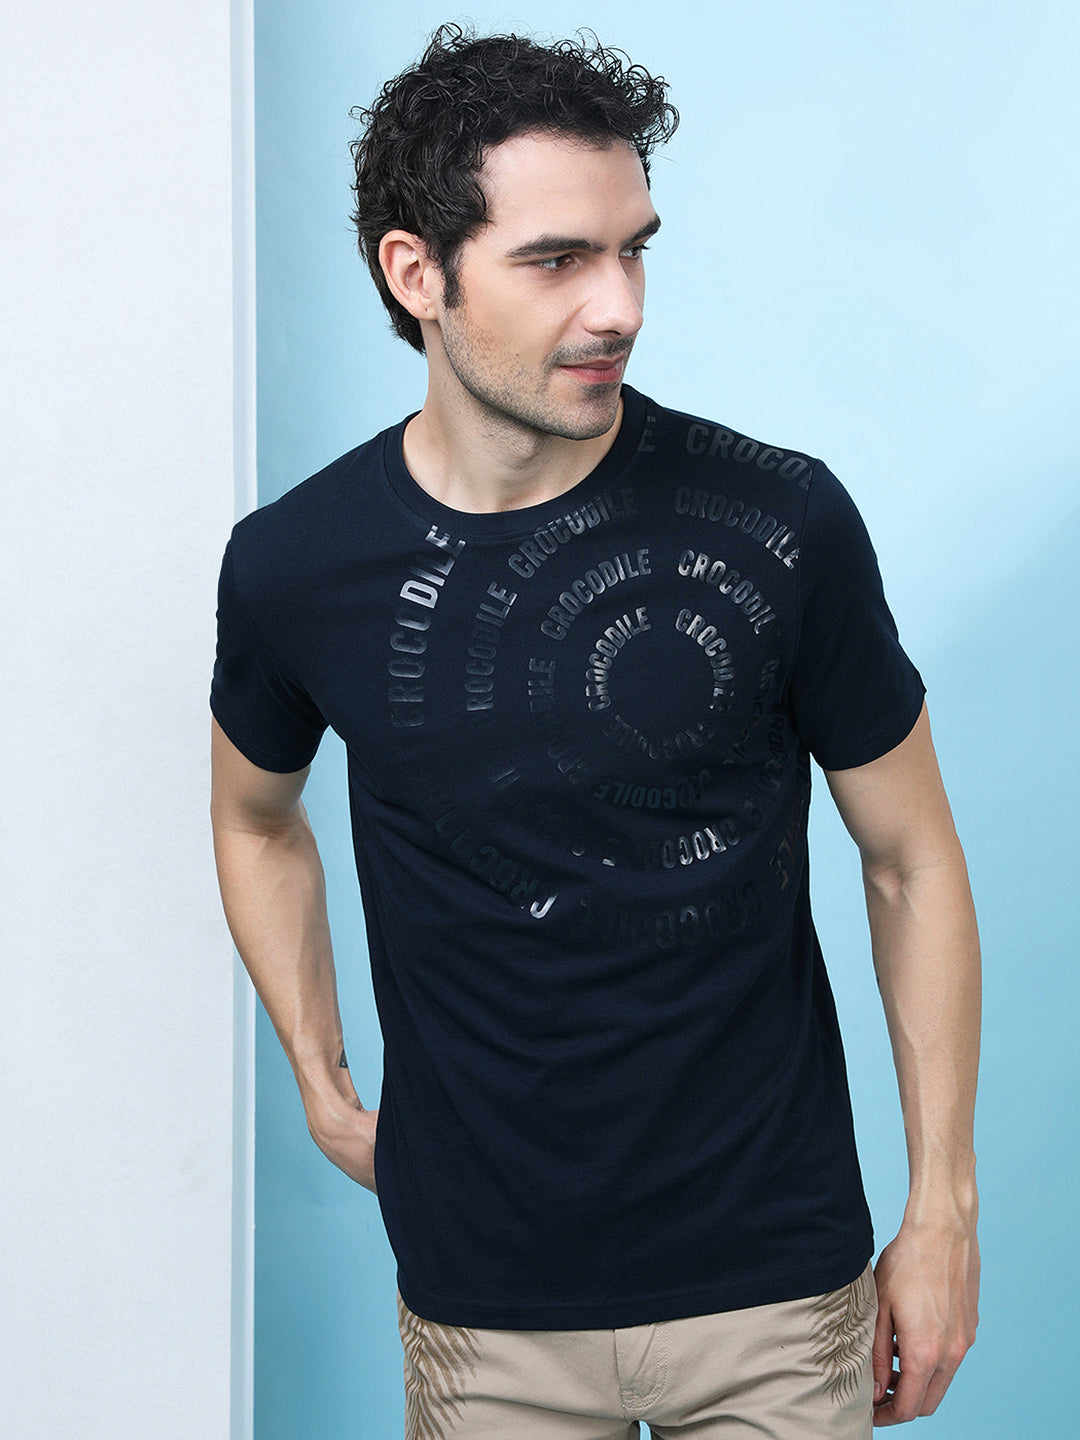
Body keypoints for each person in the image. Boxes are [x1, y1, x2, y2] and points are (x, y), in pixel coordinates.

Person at [210, 24, 980, 1439]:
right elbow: (256, 817)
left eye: (635, 251)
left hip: (776, 1286)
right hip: (484, 1303)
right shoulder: (293, 565)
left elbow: (911, 858)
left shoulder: (781, 520)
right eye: (557, 259)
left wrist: (943, 1212)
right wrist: (317, 1075)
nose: (618, 305)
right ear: (416, 273)